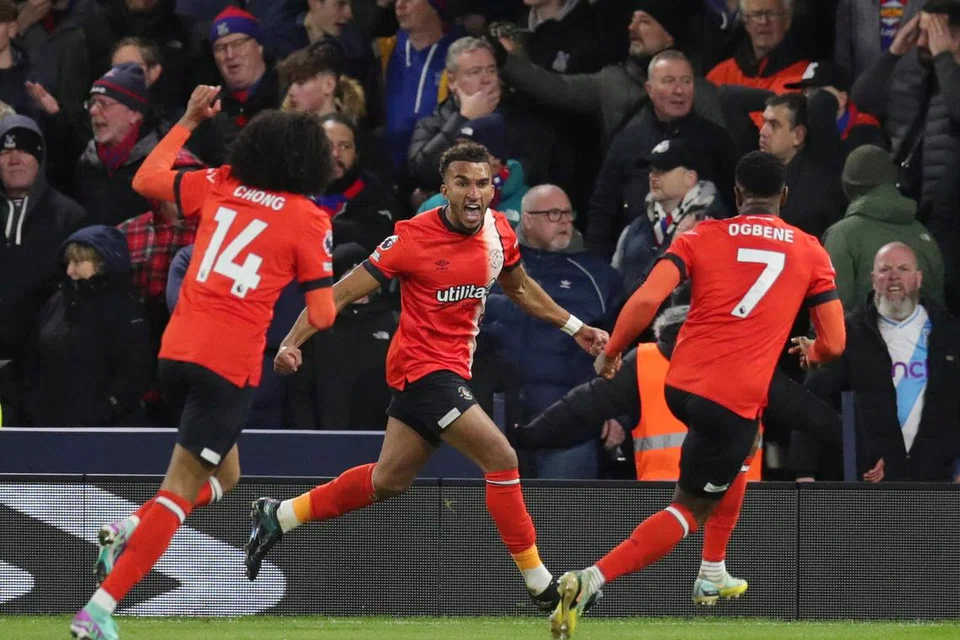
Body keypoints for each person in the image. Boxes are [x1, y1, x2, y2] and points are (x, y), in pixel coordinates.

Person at [244, 141, 610, 611]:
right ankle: (542, 587)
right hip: (422, 370)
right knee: (501, 458)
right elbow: (337, 294)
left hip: (453, 370)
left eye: (482, 183)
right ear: (445, 189)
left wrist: (574, 327)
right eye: (462, 183)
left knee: (388, 481)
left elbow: (520, 288)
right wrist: (292, 342)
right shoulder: (411, 239)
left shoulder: (500, 230)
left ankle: (280, 516)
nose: (473, 193)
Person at [69, 87, 338, 640]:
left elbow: (145, 181)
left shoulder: (220, 184)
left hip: (175, 353)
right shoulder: (308, 218)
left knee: (228, 476)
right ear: (307, 162)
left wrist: (188, 118)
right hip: (227, 366)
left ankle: (129, 526)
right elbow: (324, 313)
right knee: (179, 490)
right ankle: (97, 611)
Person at [547, 151, 847, 638]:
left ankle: (713, 570)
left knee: (747, 444)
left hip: (682, 383)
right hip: (731, 397)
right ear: (784, 197)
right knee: (690, 507)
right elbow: (835, 343)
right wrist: (813, 351)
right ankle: (591, 580)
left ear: (735, 194)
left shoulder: (701, 235)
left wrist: (611, 352)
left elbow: (647, 298)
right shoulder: (810, 250)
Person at [518, 302, 841, 601]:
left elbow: (580, 407)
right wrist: (852, 437)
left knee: (731, 460)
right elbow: (804, 411)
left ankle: (710, 571)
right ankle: (594, 577)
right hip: (734, 513)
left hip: (653, 498)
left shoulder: (643, 360)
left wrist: (523, 439)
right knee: (712, 485)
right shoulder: (744, 356)